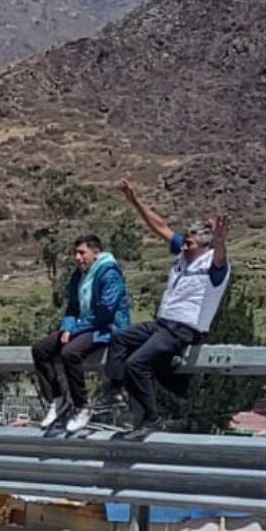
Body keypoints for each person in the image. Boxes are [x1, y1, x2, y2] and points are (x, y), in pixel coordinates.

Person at [96, 180, 231, 440]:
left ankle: (151, 418)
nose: (183, 247)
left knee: (137, 363)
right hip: (162, 324)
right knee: (120, 338)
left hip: (183, 329)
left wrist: (220, 240)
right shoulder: (184, 254)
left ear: (205, 245)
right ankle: (114, 390)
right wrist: (135, 201)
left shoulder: (214, 265)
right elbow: (161, 227)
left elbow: (220, 257)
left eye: (189, 244)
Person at [32, 235, 131, 433]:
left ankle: (82, 406)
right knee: (40, 349)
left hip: (106, 327)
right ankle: (57, 400)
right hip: (85, 325)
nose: (77, 257)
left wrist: (75, 328)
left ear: (96, 252)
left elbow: (105, 311)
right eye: (75, 253)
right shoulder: (79, 275)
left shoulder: (110, 274)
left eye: (82, 253)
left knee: (70, 352)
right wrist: (68, 327)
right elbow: (72, 308)